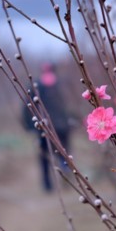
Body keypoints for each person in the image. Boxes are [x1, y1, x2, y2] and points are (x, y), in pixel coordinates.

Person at [22, 63, 72, 192]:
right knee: (60, 154)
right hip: (56, 127)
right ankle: (56, 180)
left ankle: (50, 184)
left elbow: (27, 107)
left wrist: (29, 125)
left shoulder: (39, 86)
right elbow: (28, 107)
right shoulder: (60, 85)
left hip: (49, 127)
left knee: (48, 156)